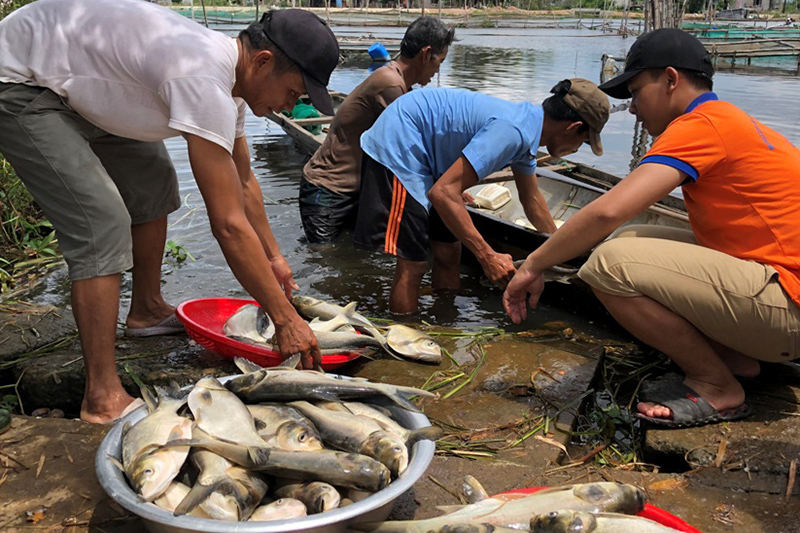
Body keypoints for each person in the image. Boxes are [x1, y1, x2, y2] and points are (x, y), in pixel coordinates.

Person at [0, 0, 339, 423]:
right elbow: (228, 225)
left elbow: (244, 180)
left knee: (155, 181)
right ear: (263, 61)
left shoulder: (230, 87)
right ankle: (101, 396)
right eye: (292, 93)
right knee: (101, 223)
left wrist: (273, 256)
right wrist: (284, 319)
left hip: (80, 82)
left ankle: (145, 310)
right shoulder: (201, 77)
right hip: (20, 79)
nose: (290, 108)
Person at [503, 28, 800, 429]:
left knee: (607, 264)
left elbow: (609, 210)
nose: (635, 111)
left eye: (637, 93)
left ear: (671, 80)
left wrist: (532, 265)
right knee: (628, 240)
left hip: (787, 306)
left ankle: (717, 385)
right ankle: (736, 360)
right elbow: (621, 221)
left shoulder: (700, 126)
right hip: (779, 295)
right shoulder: (727, 118)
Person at [355, 80, 610, 314]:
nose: (577, 150)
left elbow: (532, 200)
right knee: (414, 263)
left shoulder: (528, 129)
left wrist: (558, 252)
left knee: (449, 251)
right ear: (573, 128)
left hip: (431, 155)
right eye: (584, 142)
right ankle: (406, 342)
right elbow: (442, 193)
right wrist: (487, 255)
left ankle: (445, 318)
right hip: (401, 141)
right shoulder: (512, 132)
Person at [300, 17, 455, 244]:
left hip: (350, 191)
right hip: (327, 190)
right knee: (324, 264)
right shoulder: (390, 84)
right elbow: (415, 147)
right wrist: (449, 185)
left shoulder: (398, 83)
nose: (437, 71)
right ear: (425, 54)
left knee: (344, 260)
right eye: (439, 62)